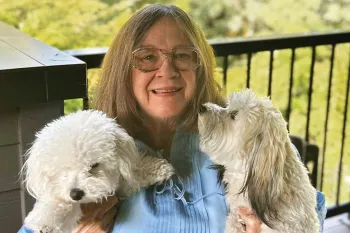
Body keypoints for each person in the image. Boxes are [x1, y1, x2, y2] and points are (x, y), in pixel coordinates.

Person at [18, 4, 326, 233]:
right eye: (147, 57)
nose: (167, 70)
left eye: (182, 55)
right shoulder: (90, 152)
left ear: (200, 66)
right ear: (124, 69)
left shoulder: (246, 140)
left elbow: (308, 213)